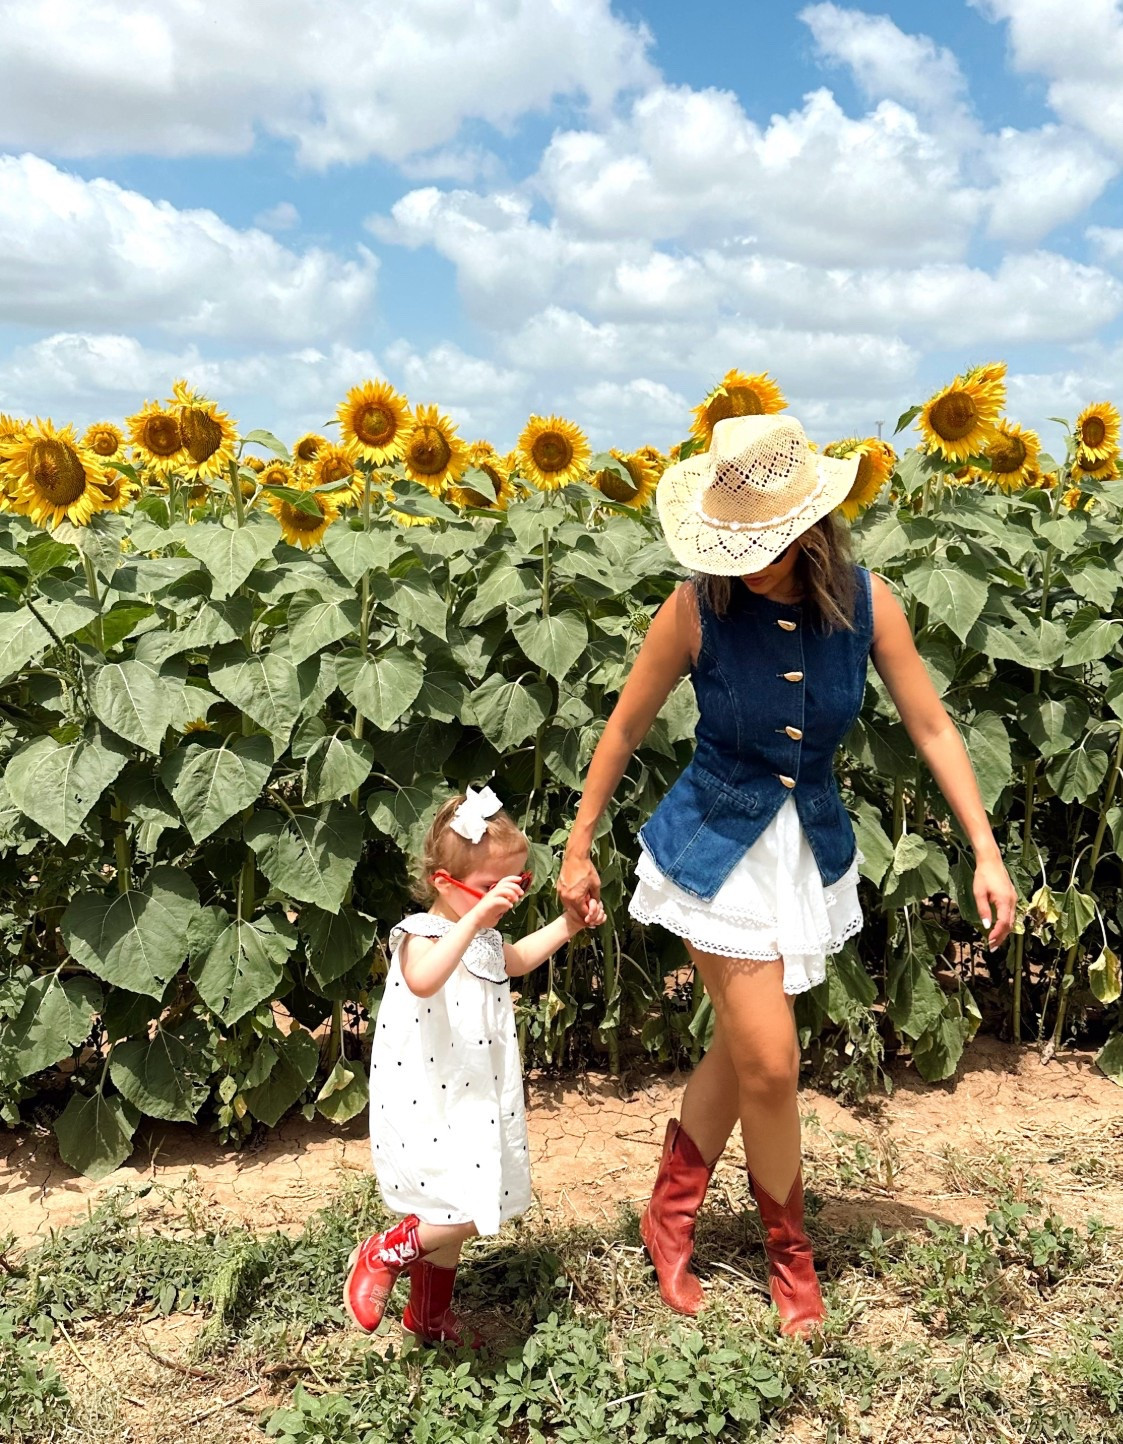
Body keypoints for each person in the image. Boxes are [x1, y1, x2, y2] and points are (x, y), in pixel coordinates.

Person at [558, 413, 1017, 1338]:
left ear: (810, 527)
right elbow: (622, 727)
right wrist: (576, 847)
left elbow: (930, 725)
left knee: (741, 1048)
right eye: (730, 545)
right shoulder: (693, 609)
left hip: (808, 847)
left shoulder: (868, 603)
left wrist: (985, 847)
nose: (743, 562)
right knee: (771, 1062)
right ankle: (788, 1254)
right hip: (712, 851)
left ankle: (670, 1213)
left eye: (760, 546)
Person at [345, 785, 605, 1347]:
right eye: (494, 888)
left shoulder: (482, 935)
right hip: (430, 1096)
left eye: (517, 885)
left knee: (460, 1201)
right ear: (444, 884)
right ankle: (387, 1250)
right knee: (472, 1207)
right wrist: (476, 919)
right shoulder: (421, 934)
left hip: (475, 1093)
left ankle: (428, 1317)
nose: (506, 900)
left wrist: (569, 925)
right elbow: (423, 978)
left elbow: (512, 961)